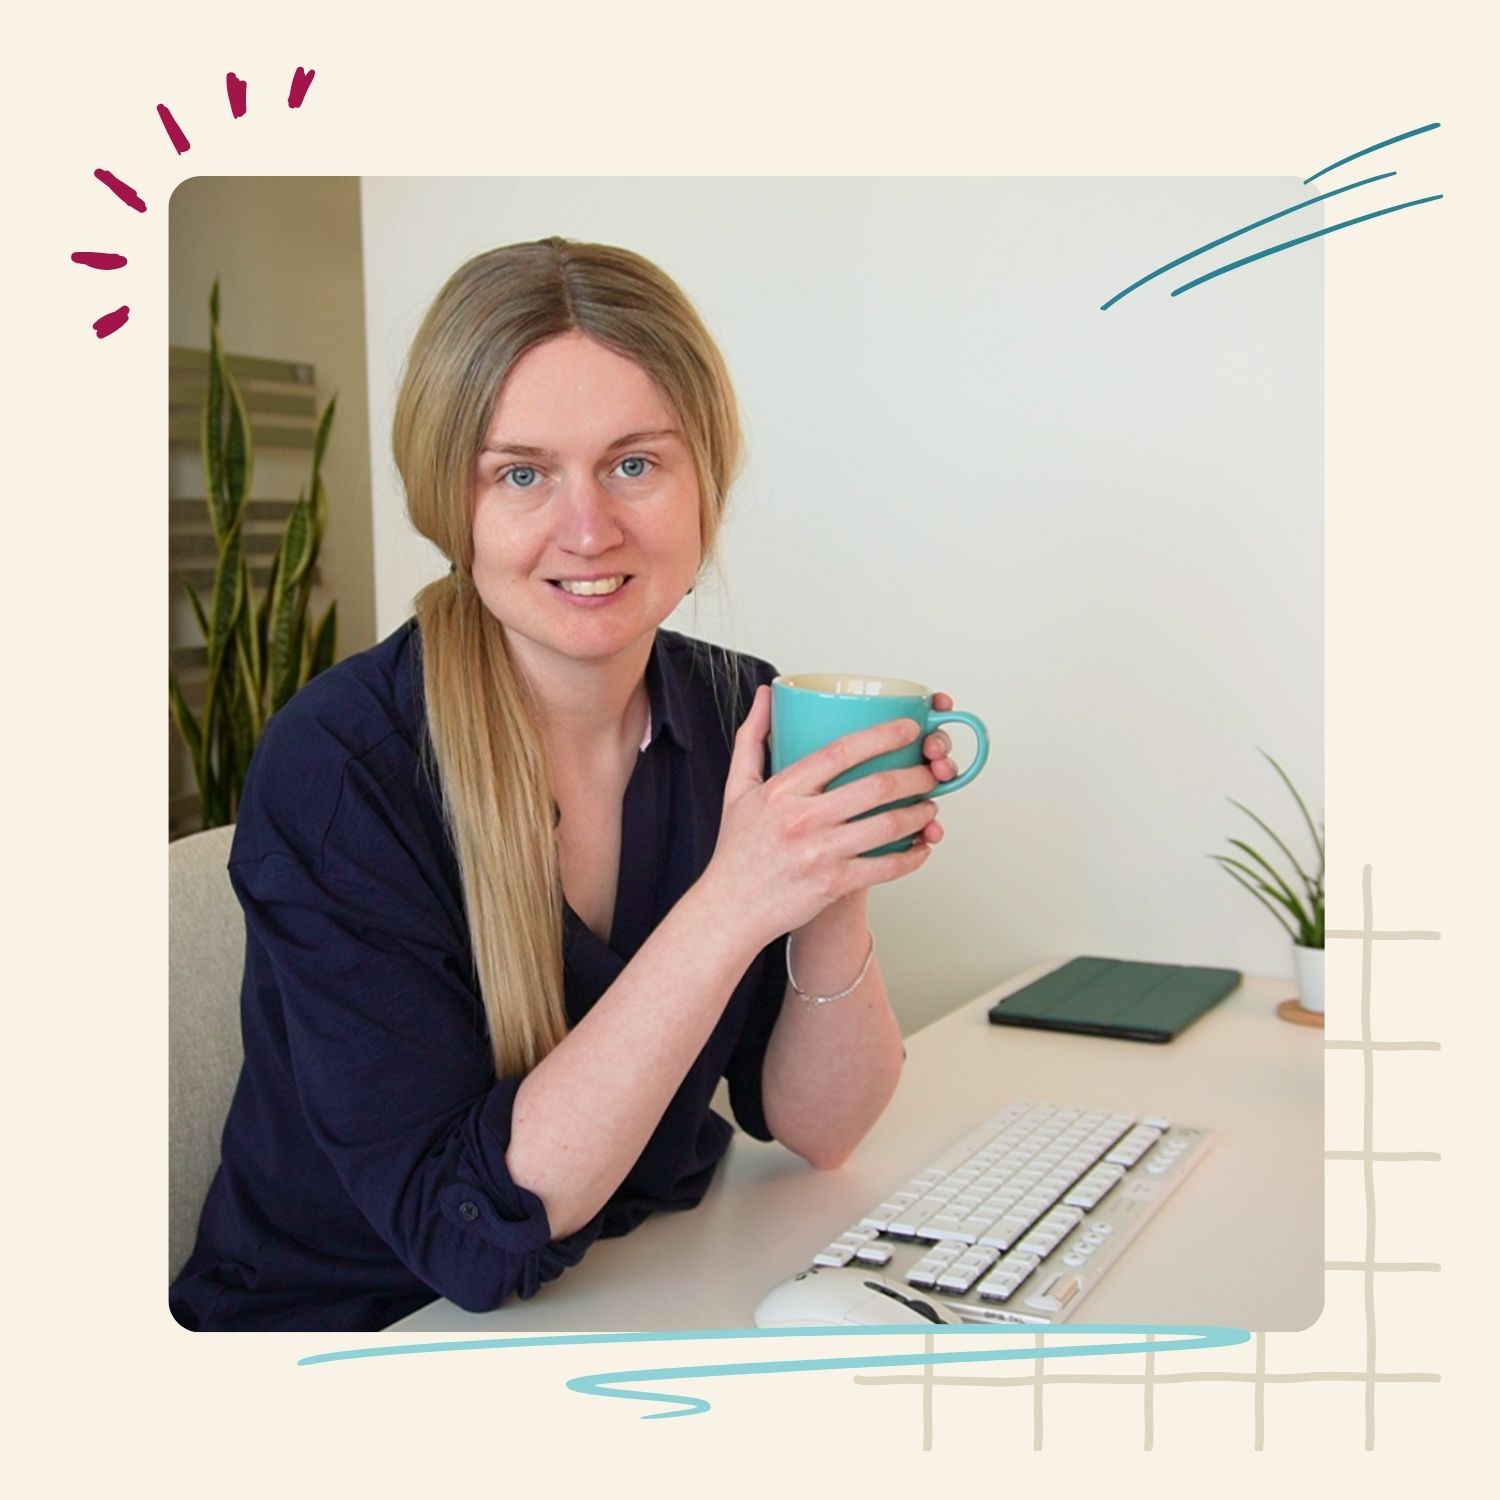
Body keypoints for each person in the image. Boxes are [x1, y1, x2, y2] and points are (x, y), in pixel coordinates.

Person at [169, 237, 960, 1331]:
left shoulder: (738, 714)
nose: (589, 530)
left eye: (635, 463)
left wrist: (829, 874)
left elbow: (821, 1127)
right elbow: (468, 1235)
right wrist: (735, 898)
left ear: (705, 482)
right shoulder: (344, 768)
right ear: (455, 502)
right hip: (358, 1339)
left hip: (638, 1289)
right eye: (522, 473)